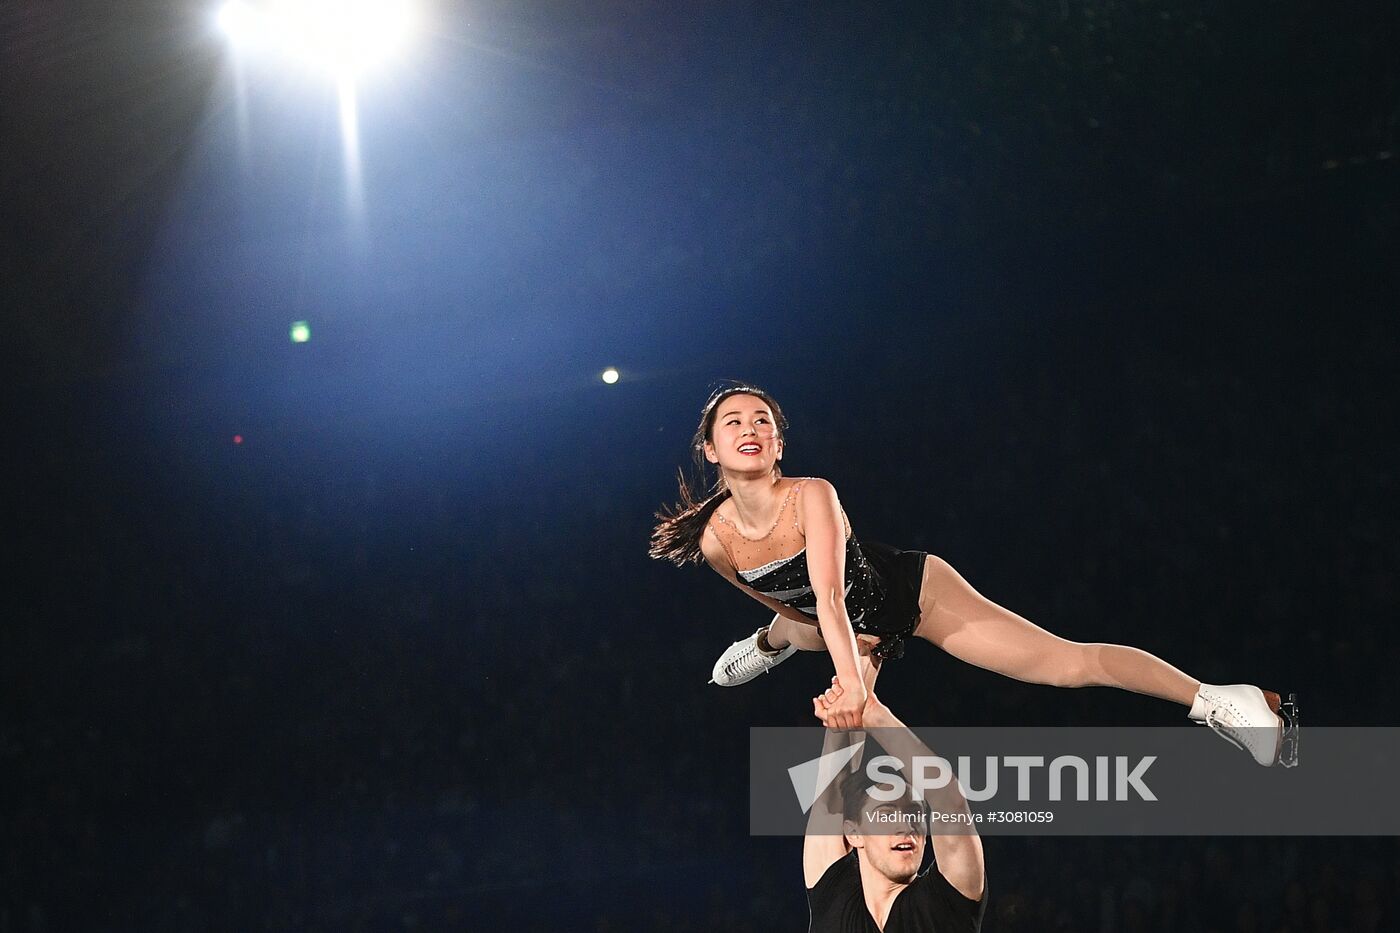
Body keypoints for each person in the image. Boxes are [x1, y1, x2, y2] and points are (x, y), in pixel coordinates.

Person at [649, 383, 1299, 766]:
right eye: (733, 421)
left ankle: (1221, 698)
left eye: (763, 419)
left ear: (780, 444)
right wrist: (848, 669)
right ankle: (761, 649)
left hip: (907, 593)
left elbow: (828, 589)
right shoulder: (716, 543)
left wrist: (854, 684)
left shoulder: (812, 493)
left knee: (1069, 665)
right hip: (832, 624)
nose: (750, 427)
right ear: (710, 447)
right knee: (795, 634)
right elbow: (791, 601)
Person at [804, 665, 985, 932]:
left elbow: (949, 799)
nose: (906, 826)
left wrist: (874, 714)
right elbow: (830, 797)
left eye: (914, 815)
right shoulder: (834, 898)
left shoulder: (946, 902)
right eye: (886, 814)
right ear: (854, 833)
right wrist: (861, 663)